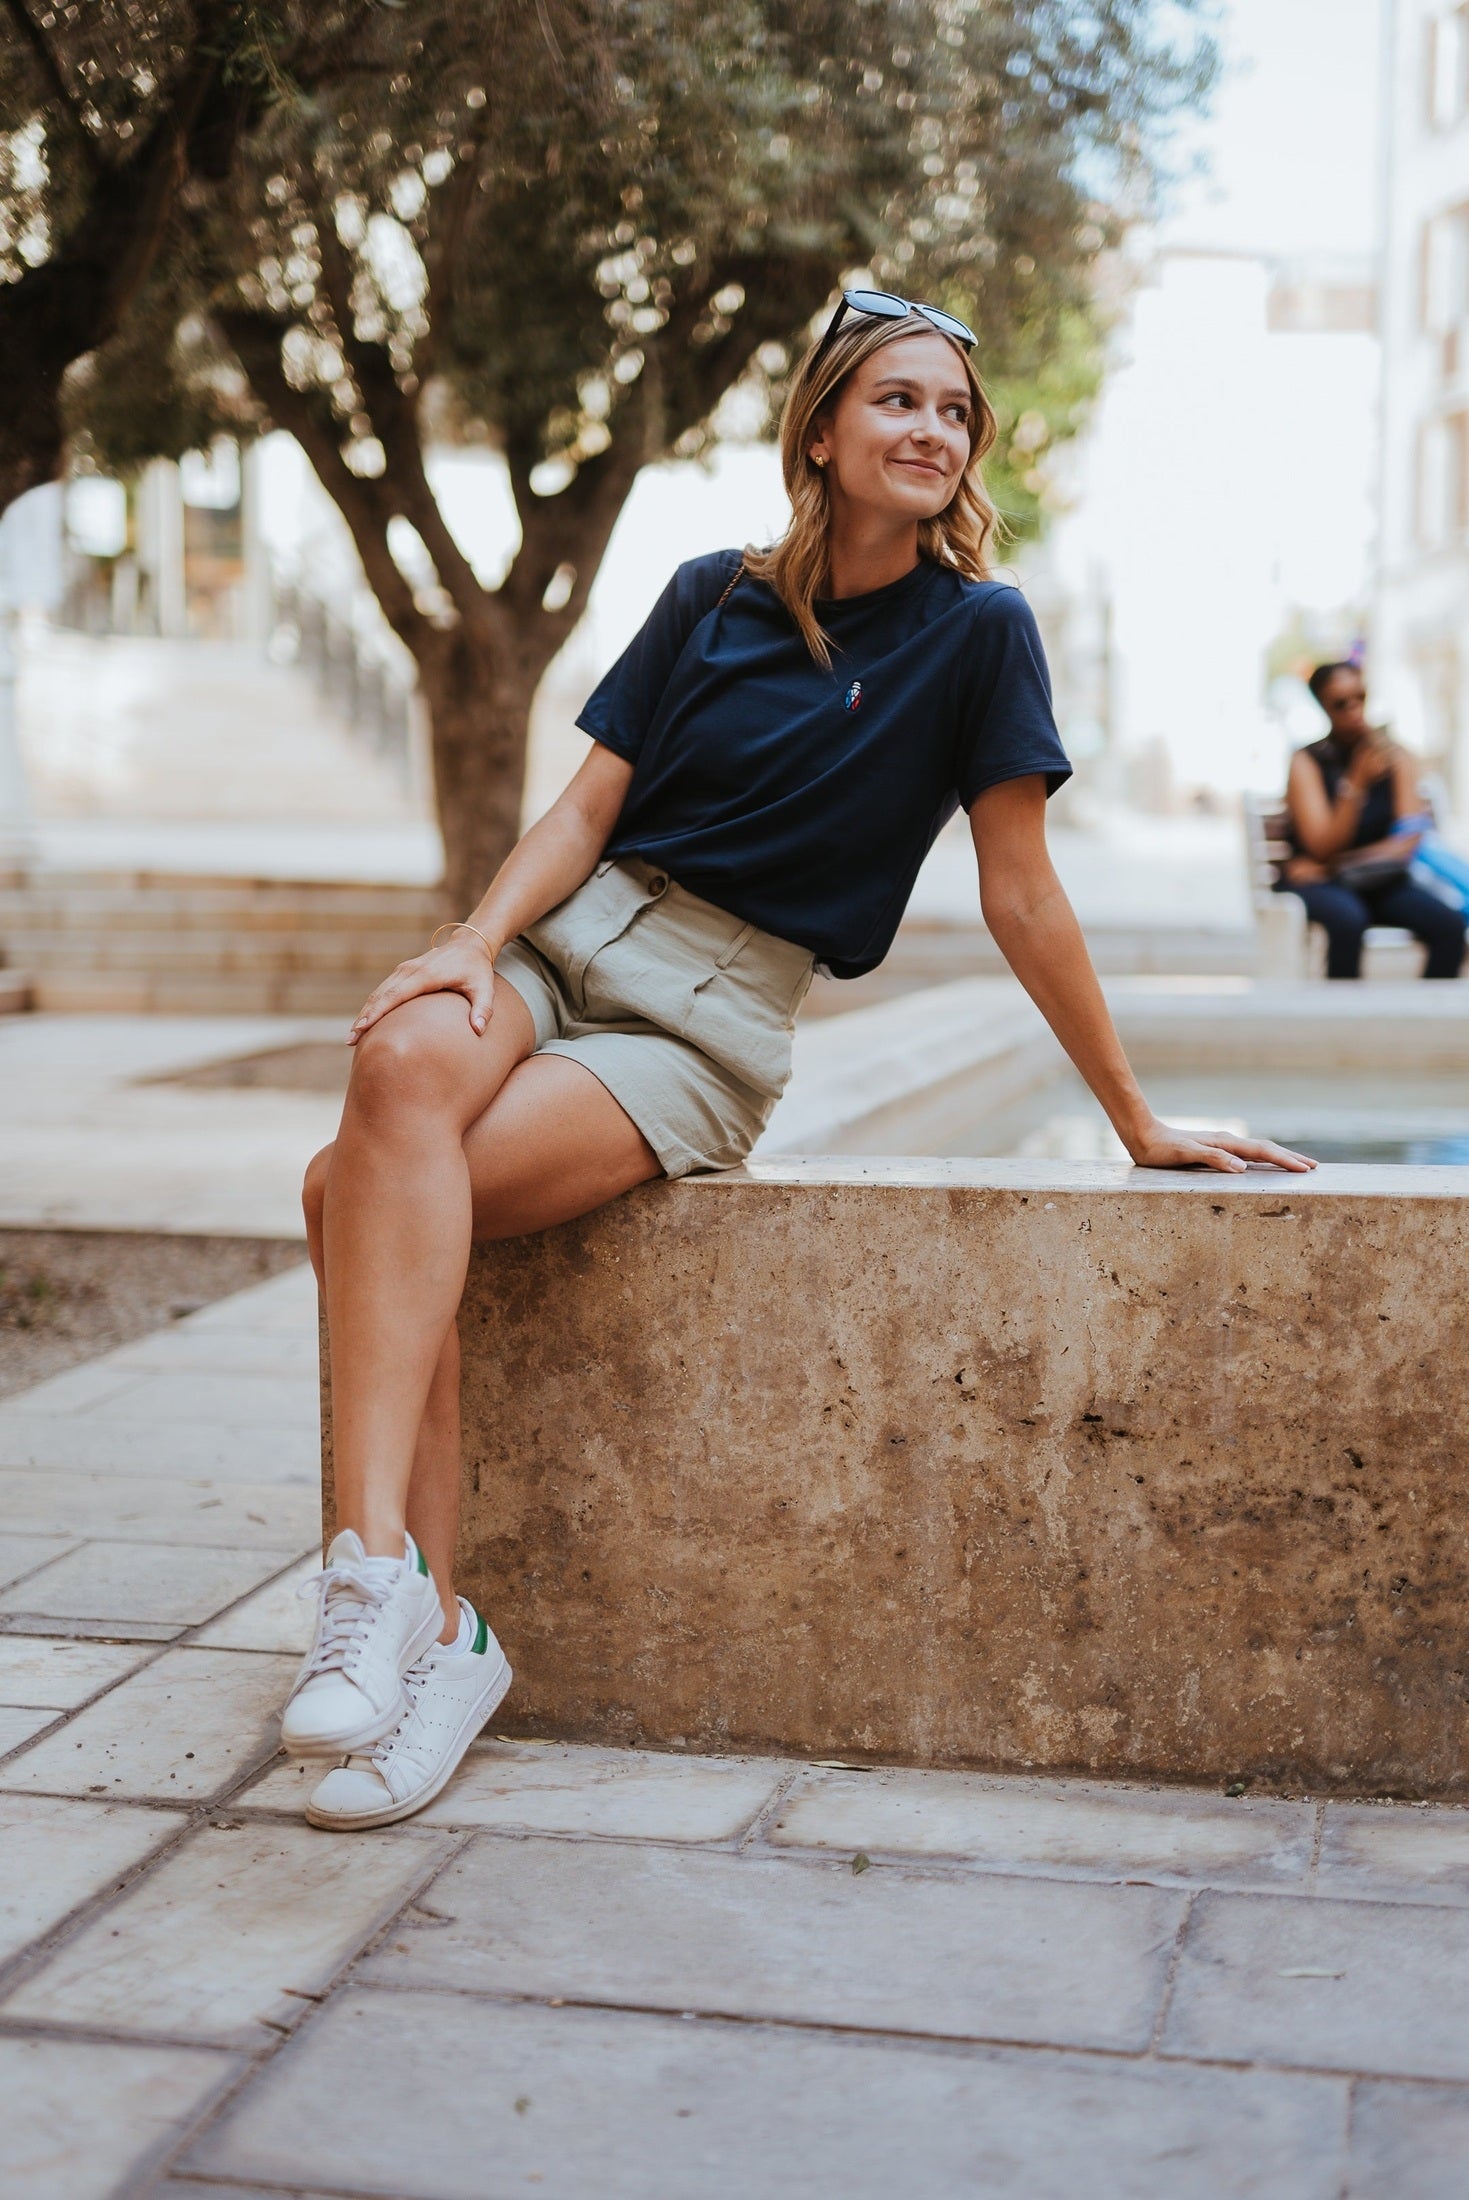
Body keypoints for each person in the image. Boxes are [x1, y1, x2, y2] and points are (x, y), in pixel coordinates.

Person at [285, 287, 1315, 1833]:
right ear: (823, 429)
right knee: (394, 1083)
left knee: (350, 1198)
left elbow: (1021, 890)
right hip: (571, 942)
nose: (929, 430)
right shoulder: (710, 594)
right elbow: (583, 810)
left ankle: (434, 1631)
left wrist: (1132, 1114)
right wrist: (476, 943)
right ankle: (390, 1595)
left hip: (702, 1018)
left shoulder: (980, 633)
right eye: (896, 400)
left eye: (954, 412)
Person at [1277, 663, 1466, 979]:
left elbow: (1406, 842)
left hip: (1374, 880)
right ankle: (1343, 1020)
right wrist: (1356, 785)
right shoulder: (1306, 762)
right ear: (1322, 706)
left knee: (1448, 925)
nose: (1353, 710)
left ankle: (1426, 1020)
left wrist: (1336, 866)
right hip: (1320, 885)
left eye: (1359, 698)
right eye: (1340, 703)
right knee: (1348, 920)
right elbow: (1322, 845)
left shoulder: (1395, 757)